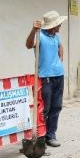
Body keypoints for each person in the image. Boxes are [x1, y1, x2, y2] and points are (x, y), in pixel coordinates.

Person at [25, 10, 66, 147]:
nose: (60, 26)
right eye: (58, 24)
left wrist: (60, 60)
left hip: (58, 75)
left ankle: (51, 135)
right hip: (45, 76)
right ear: (52, 26)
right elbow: (28, 45)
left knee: (57, 106)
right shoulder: (39, 35)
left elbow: (60, 47)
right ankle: (41, 136)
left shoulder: (55, 36)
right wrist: (33, 30)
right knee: (45, 108)